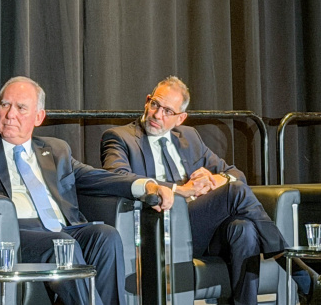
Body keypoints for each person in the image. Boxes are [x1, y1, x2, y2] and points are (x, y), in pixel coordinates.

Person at [0, 76, 174, 305]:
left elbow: (97, 177)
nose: (10, 114)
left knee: (105, 236)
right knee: (61, 244)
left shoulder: (55, 150)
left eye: (21, 108)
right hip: (10, 233)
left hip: (61, 227)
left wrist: (147, 185)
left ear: (38, 117)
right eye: (5, 105)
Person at [100, 75, 292, 304]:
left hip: (200, 231)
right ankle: (290, 262)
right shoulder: (120, 137)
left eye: (168, 111)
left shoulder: (189, 138)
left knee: (244, 230)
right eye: (155, 105)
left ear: (181, 118)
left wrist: (215, 178)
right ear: (147, 101)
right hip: (160, 226)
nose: (157, 115)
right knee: (236, 192)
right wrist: (180, 189)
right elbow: (115, 177)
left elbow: (235, 173)